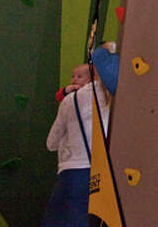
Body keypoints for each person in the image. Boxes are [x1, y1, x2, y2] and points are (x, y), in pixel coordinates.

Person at [40, 45, 119, 227]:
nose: (74, 79)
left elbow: (51, 143)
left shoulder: (69, 100)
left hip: (67, 171)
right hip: (96, 170)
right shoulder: (107, 94)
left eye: (79, 76)